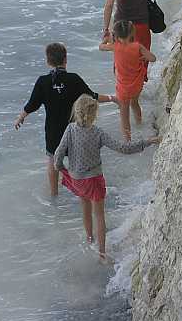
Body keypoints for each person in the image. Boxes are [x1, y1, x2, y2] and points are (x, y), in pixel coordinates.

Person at [54, 94, 159, 262]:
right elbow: (123, 148)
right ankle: (102, 254)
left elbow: (58, 155)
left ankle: (89, 239)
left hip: (77, 179)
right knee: (99, 215)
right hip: (94, 180)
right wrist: (147, 142)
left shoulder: (70, 129)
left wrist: (63, 170)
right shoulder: (97, 132)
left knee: (85, 209)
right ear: (94, 114)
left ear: (76, 111)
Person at [14, 42, 117, 196]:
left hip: (53, 131)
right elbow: (92, 97)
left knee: (52, 159)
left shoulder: (43, 81)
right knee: (76, 159)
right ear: (65, 59)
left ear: (48, 61)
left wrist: (21, 116)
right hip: (74, 130)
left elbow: (32, 104)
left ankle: (54, 194)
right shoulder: (73, 79)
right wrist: (112, 98)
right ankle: (83, 190)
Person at [99, 20, 156, 139]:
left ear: (116, 35)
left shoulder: (114, 46)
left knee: (124, 113)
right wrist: (143, 57)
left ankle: (128, 140)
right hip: (137, 84)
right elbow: (153, 58)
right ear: (132, 33)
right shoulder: (137, 46)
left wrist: (105, 38)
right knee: (135, 104)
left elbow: (100, 47)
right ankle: (139, 124)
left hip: (123, 88)